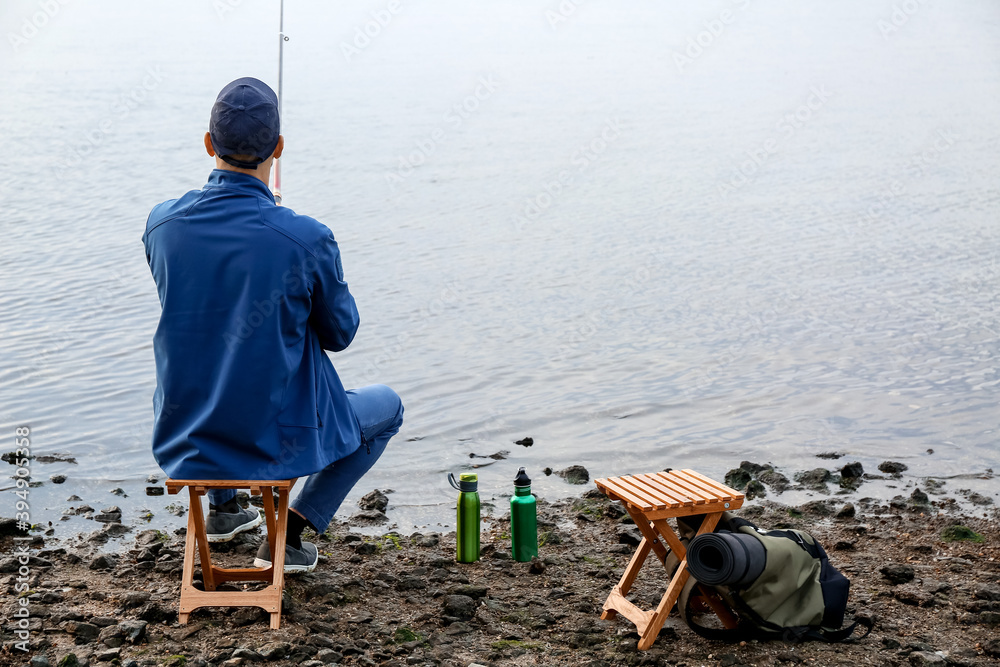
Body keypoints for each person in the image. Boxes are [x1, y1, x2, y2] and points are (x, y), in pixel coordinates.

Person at [142, 77, 403, 572]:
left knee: (220, 362)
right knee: (386, 408)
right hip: (276, 440)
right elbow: (340, 334)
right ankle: (292, 536)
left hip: (186, 433)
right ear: (278, 149)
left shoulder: (161, 224)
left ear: (207, 143)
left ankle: (224, 511)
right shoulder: (306, 237)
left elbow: (204, 302)